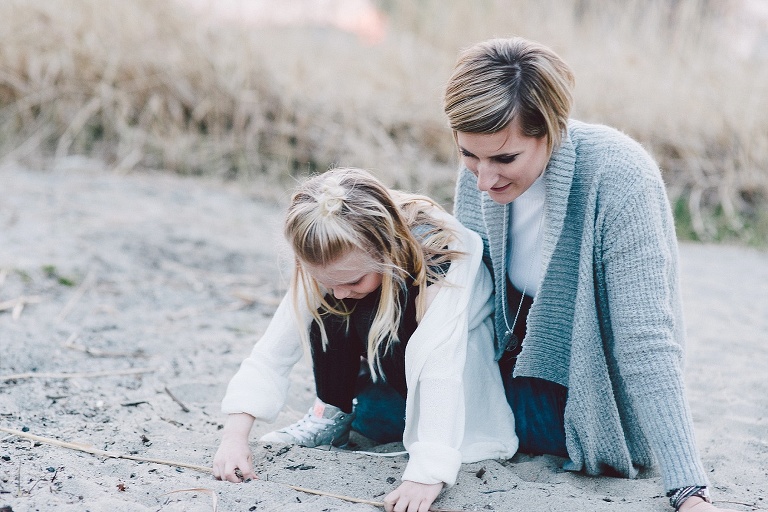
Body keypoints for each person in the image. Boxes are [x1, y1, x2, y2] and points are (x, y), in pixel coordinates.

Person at [443, 37, 738, 512]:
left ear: (552, 131)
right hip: (511, 368)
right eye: (468, 155)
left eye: (504, 159)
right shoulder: (479, 171)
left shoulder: (621, 176)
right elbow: (466, 299)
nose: (483, 179)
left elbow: (646, 339)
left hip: (587, 398)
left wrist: (689, 491)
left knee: (386, 410)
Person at [212, 167, 518, 512]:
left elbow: (439, 367)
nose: (340, 290)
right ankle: (330, 413)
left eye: (353, 280)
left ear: (386, 252)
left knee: (367, 316)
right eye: (328, 280)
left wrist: (427, 472)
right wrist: (234, 437)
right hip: (384, 352)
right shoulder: (331, 253)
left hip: (451, 365)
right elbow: (273, 350)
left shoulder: (440, 261)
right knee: (330, 304)